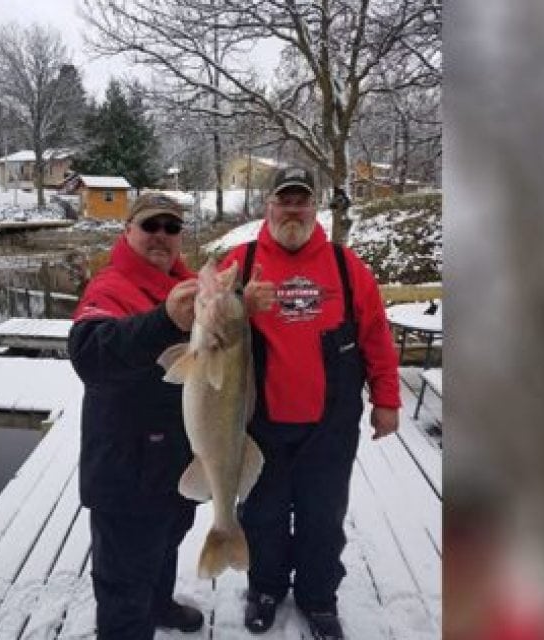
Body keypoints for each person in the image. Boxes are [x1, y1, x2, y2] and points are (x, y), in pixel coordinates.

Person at [221, 166, 401, 640]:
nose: (293, 209)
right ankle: (264, 588)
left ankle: (318, 597)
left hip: (330, 424)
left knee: (323, 517)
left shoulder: (346, 266)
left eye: (302, 200)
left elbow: (376, 337)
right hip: (261, 424)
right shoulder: (241, 261)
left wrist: (387, 400)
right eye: (285, 200)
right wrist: (239, 301)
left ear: (314, 206)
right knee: (263, 514)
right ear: (269, 206)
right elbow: (205, 321)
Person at [68, 192, 205, 639]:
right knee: (124, 585)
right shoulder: (110, 286)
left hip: (175, 460)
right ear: (128, 232)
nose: (162, 236)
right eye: (151, 226)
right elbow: (90, 353)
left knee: (166, 545)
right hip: (126, 469)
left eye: (172, 228)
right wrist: (164, 319)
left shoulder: (186, 285)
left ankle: (161, 605)